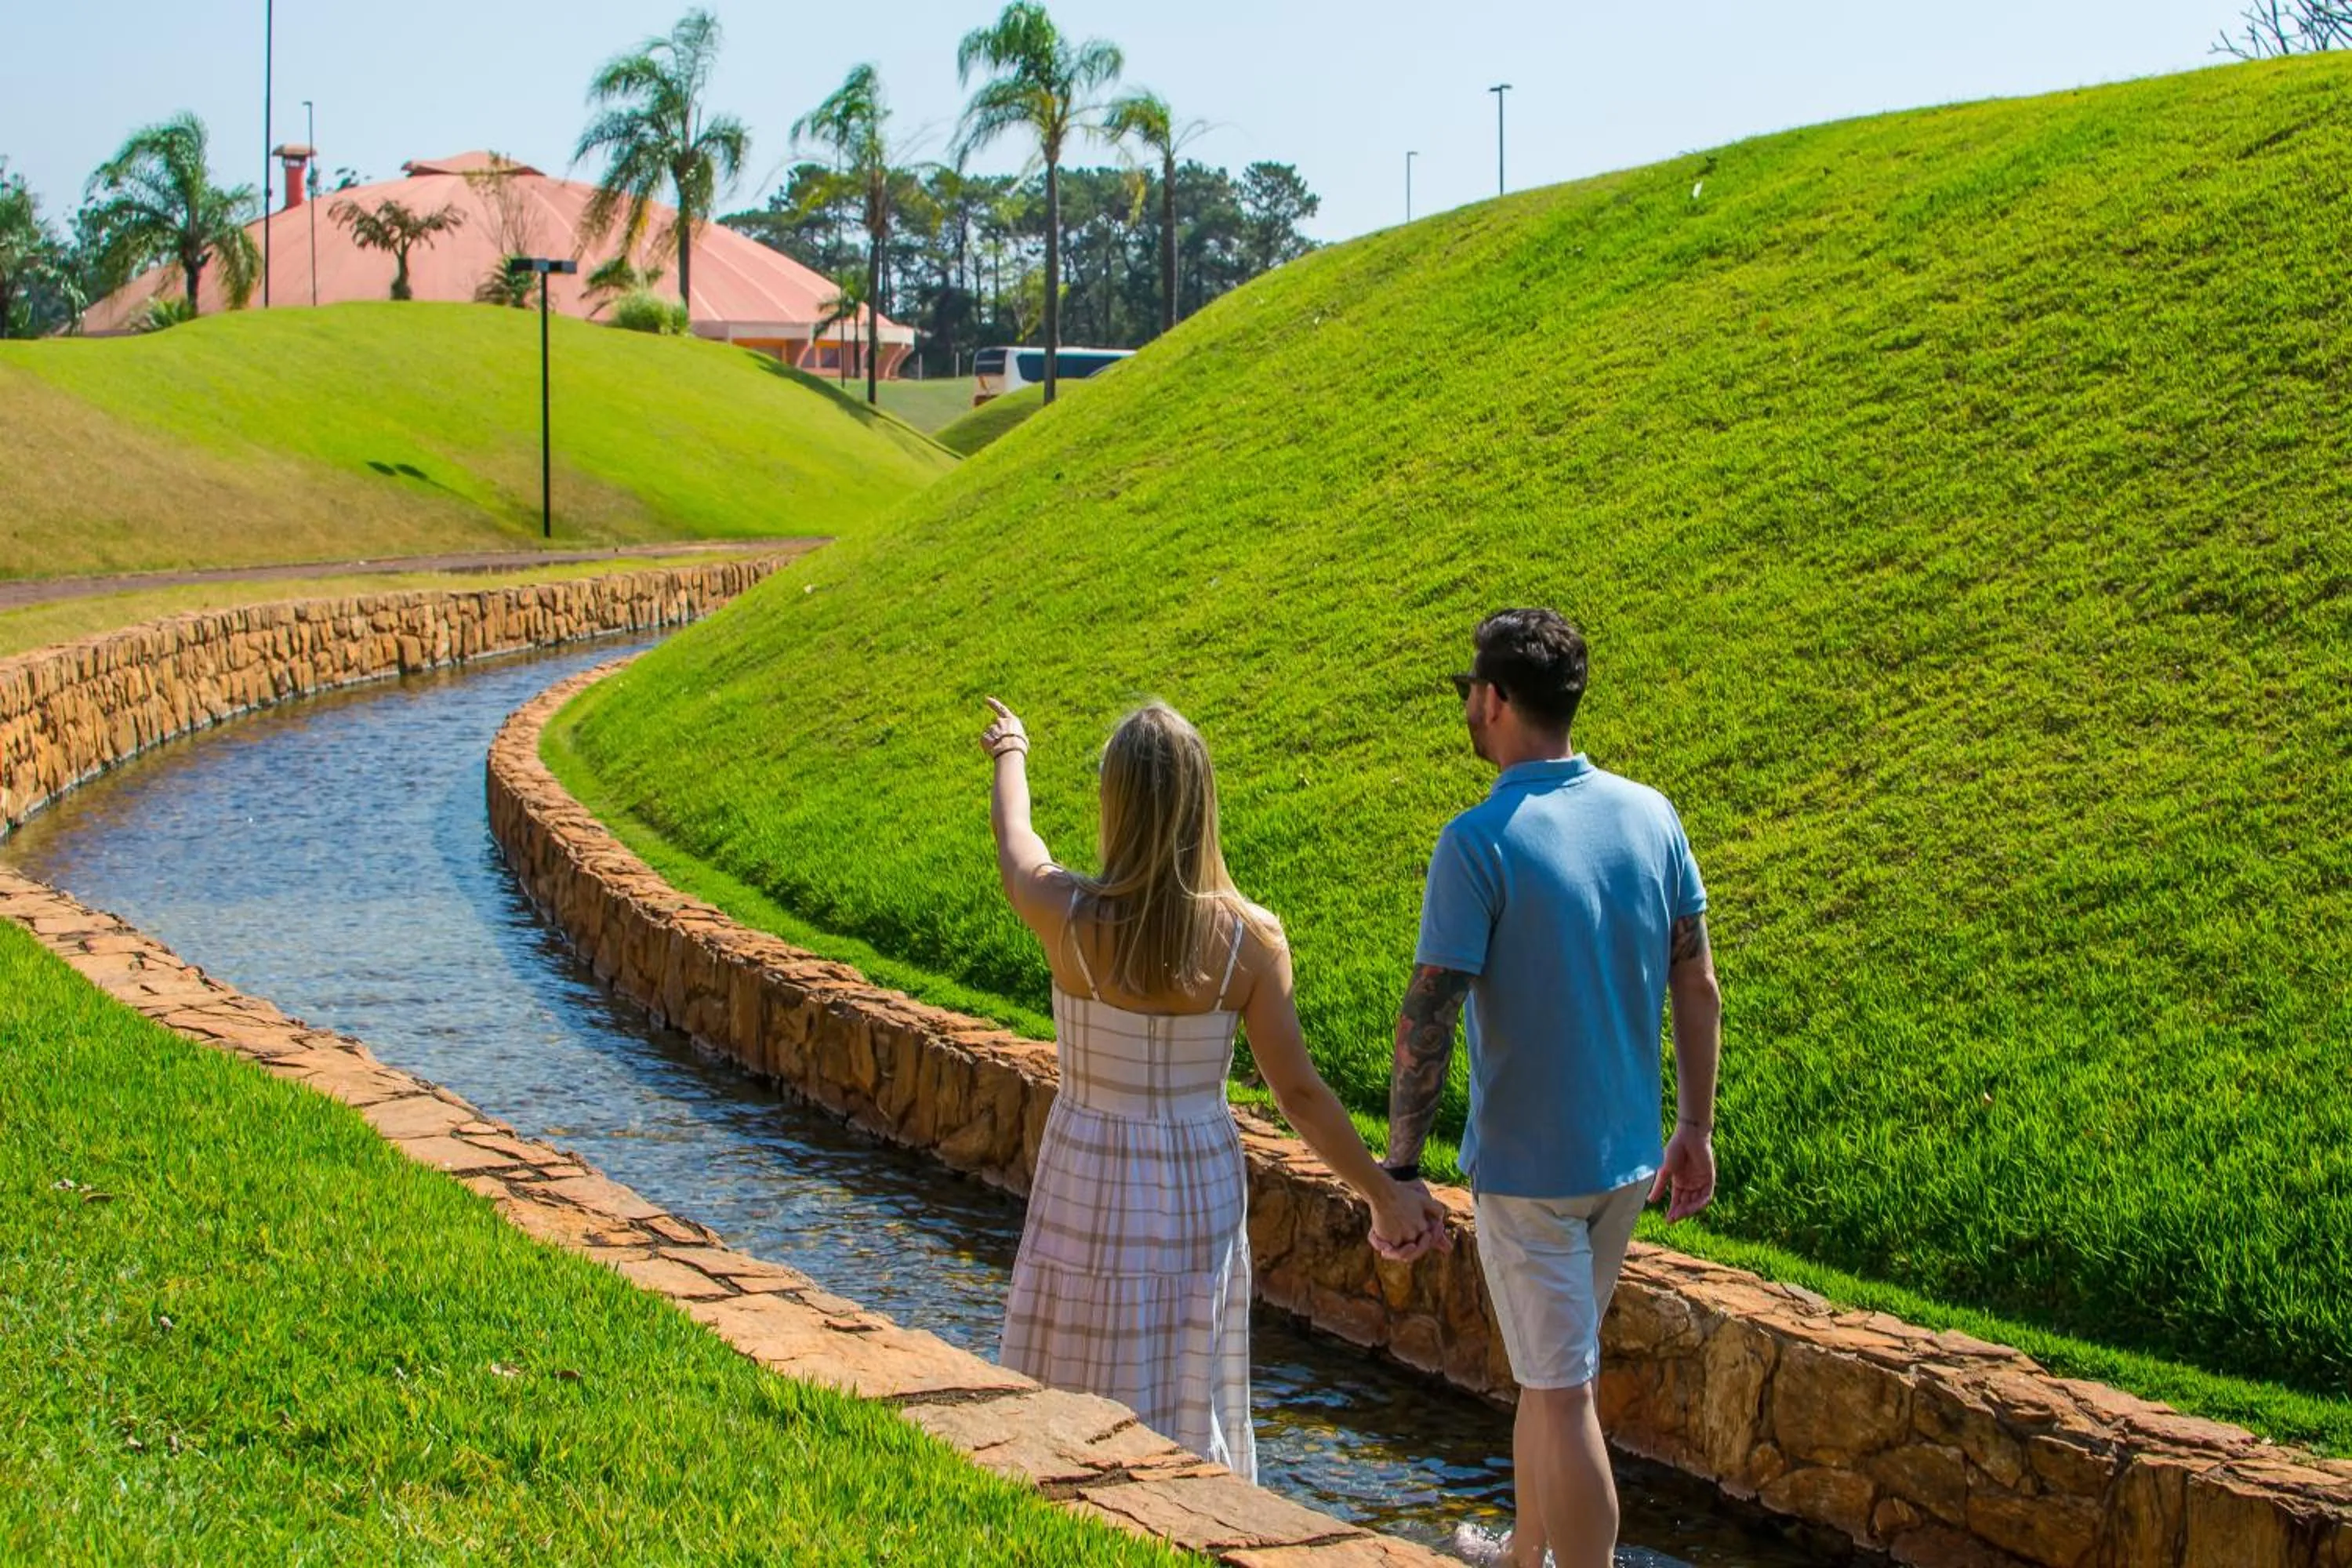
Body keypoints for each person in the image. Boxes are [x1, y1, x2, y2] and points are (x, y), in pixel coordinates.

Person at [979, 697, 1447, 1483]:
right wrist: (1379, 1191)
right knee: (1185, 1365)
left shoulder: (1066, 913)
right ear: (1204, 801)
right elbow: (1297, 1092)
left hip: (1085, 1169)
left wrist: (1011, 751)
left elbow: (1015, 841)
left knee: (1073, 1344)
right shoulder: (1250, 938)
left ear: (1113, 801)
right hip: (1195, 1179)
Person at [1378, 609, 1722, 1568]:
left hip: (1529, 1176)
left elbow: (1428, 1017)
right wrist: (1695, 1123)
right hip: (1626, 1162)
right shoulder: (1650, 814)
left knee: (1564, 1392)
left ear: (1493, 700)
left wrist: (1400, 1163)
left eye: (1468, 695)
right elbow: (1696, 979)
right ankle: (1524, 1555)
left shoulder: (1479, 839)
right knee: (1547, 1375)